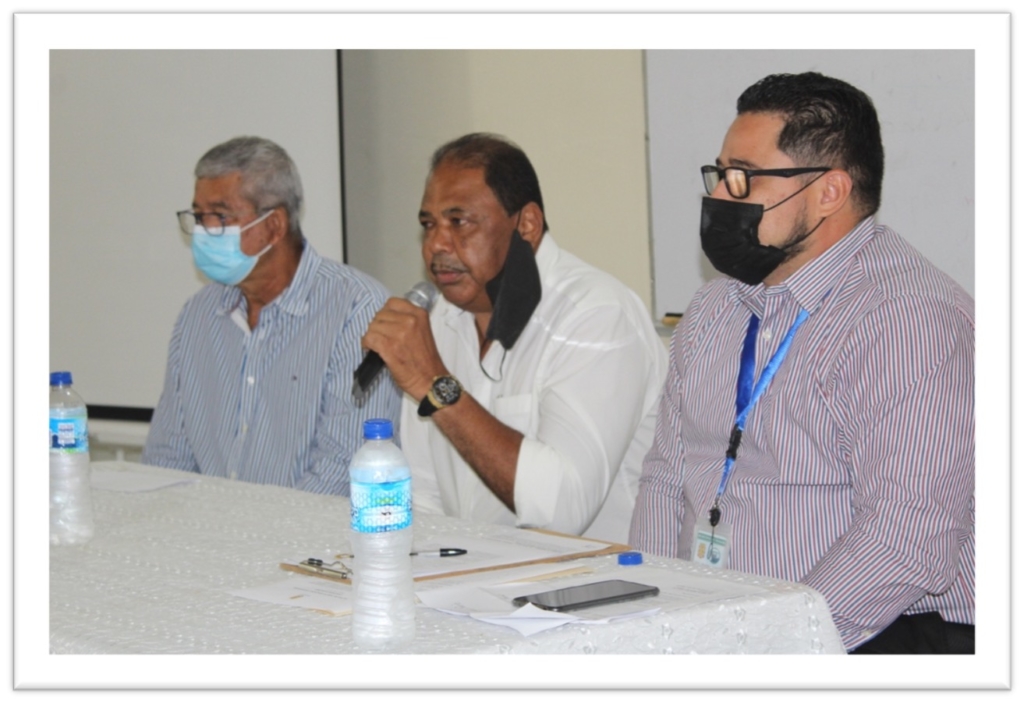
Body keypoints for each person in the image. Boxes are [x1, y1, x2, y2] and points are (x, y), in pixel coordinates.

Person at [630, 72, 975, 654]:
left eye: (743, 177)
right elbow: (667, 478)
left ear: (829, 191)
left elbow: (906, 539)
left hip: (875, 635)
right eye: (720, 174)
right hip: (727, 626)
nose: (721, 197)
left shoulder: (905, 320)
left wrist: (763, 649)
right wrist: (653, 623)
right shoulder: (714, 308)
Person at [361, 133, 667, 544]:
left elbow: (563, 511)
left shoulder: (597, 315)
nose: (435, 244)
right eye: (428, 225)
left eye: (459, 221)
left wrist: (437, 386)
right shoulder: (439, 319)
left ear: (527, 225)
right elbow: (424, 493)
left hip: (598, 576)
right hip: (476, 569)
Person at [143, 136, 399, 494]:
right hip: (207, 526)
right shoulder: (198, 315)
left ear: (274, 225)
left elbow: (343, 468)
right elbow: (167, 456)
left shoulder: (357, 309)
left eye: (220, 216)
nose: (203, 232)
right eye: (198, 217)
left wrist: (255, 529)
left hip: (309, 529)